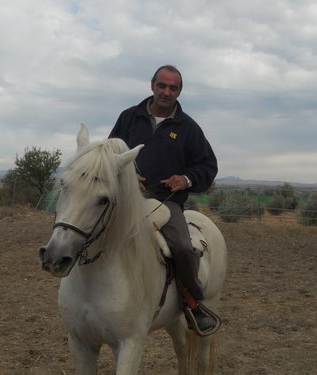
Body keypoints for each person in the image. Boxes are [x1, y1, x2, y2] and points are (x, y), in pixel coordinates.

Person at [109, 65, 218, 331]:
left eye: (173, 88)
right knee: (86, 227)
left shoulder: (188, 128)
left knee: (181, 246)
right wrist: (127, 175)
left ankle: (193, 303)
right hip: (125, 198)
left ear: (180, 91)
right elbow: (110, 156)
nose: (166, 92)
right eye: (162, 85)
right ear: (152, 85)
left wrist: (186, 179)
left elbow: (207, 166)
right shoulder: (128, 118)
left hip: (164, 202)